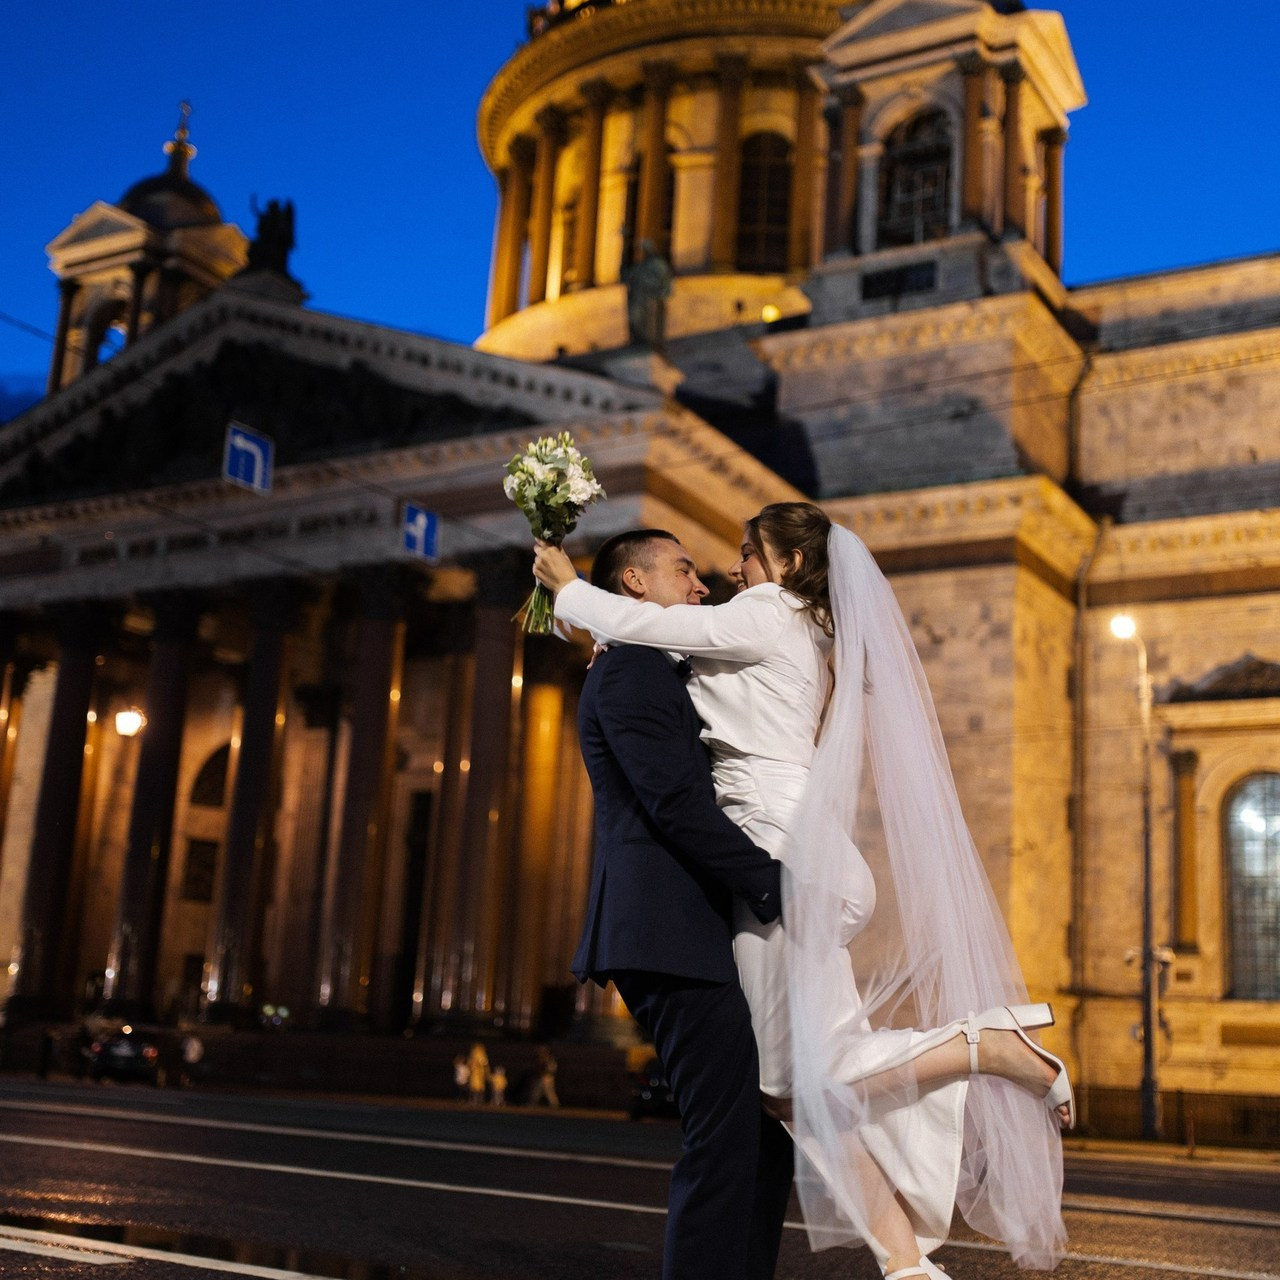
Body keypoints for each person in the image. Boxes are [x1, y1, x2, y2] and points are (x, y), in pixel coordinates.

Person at [534, 504, 1072, 1278]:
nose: (722, 574)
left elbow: (678, 649)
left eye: (742, 555)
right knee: (792, 1090)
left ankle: (982, 1046)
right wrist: (605, 634)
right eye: (688, 568)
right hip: (801, 854)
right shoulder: (801, 630)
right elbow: (673, 661)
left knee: (790, 1082)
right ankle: (904, 1262)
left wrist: (567, 591)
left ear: (784, 564)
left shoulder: (764, 612)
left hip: (781, 860)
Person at [564, 528, 794, 1280]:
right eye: (684, 570)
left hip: (686, 927)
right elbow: (676, 804)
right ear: (633, 583)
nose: (702, 588)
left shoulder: (651, 668)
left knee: (760, 1133)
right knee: (725, 1135)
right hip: (665, 929)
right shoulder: (630, 673)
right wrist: (775, 883)